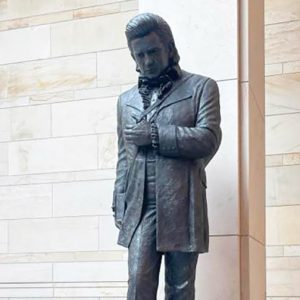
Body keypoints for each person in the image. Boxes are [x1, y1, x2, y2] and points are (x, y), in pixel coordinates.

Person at [112, 13, 222, 300]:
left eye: (153, 51)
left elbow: (209, 138)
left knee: (180, 289)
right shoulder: (126, 101)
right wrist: (119, 202)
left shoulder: (202, 88)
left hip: (182, 201)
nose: (147, 61)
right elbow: (124, 157)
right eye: (140, 55)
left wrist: (157, 135)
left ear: (170, 49)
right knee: (138, 284)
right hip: (140, 206)